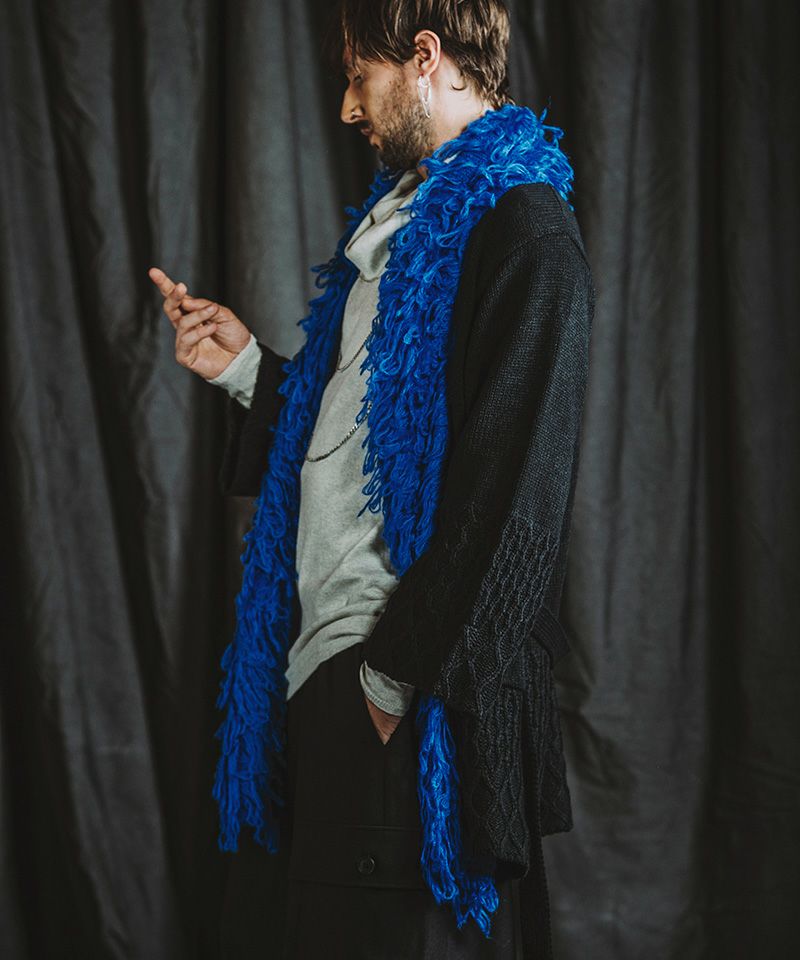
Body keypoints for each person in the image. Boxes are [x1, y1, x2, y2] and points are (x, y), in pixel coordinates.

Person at [148, 1, 594, 956]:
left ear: (425, 57)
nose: (349, 107)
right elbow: (357, 439)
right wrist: (248, 369)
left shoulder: (526, 231)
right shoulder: (394, 233)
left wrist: (390, 682)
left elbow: (513, 503)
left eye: (361, 75)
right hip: (329, 676)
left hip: (412, 703)